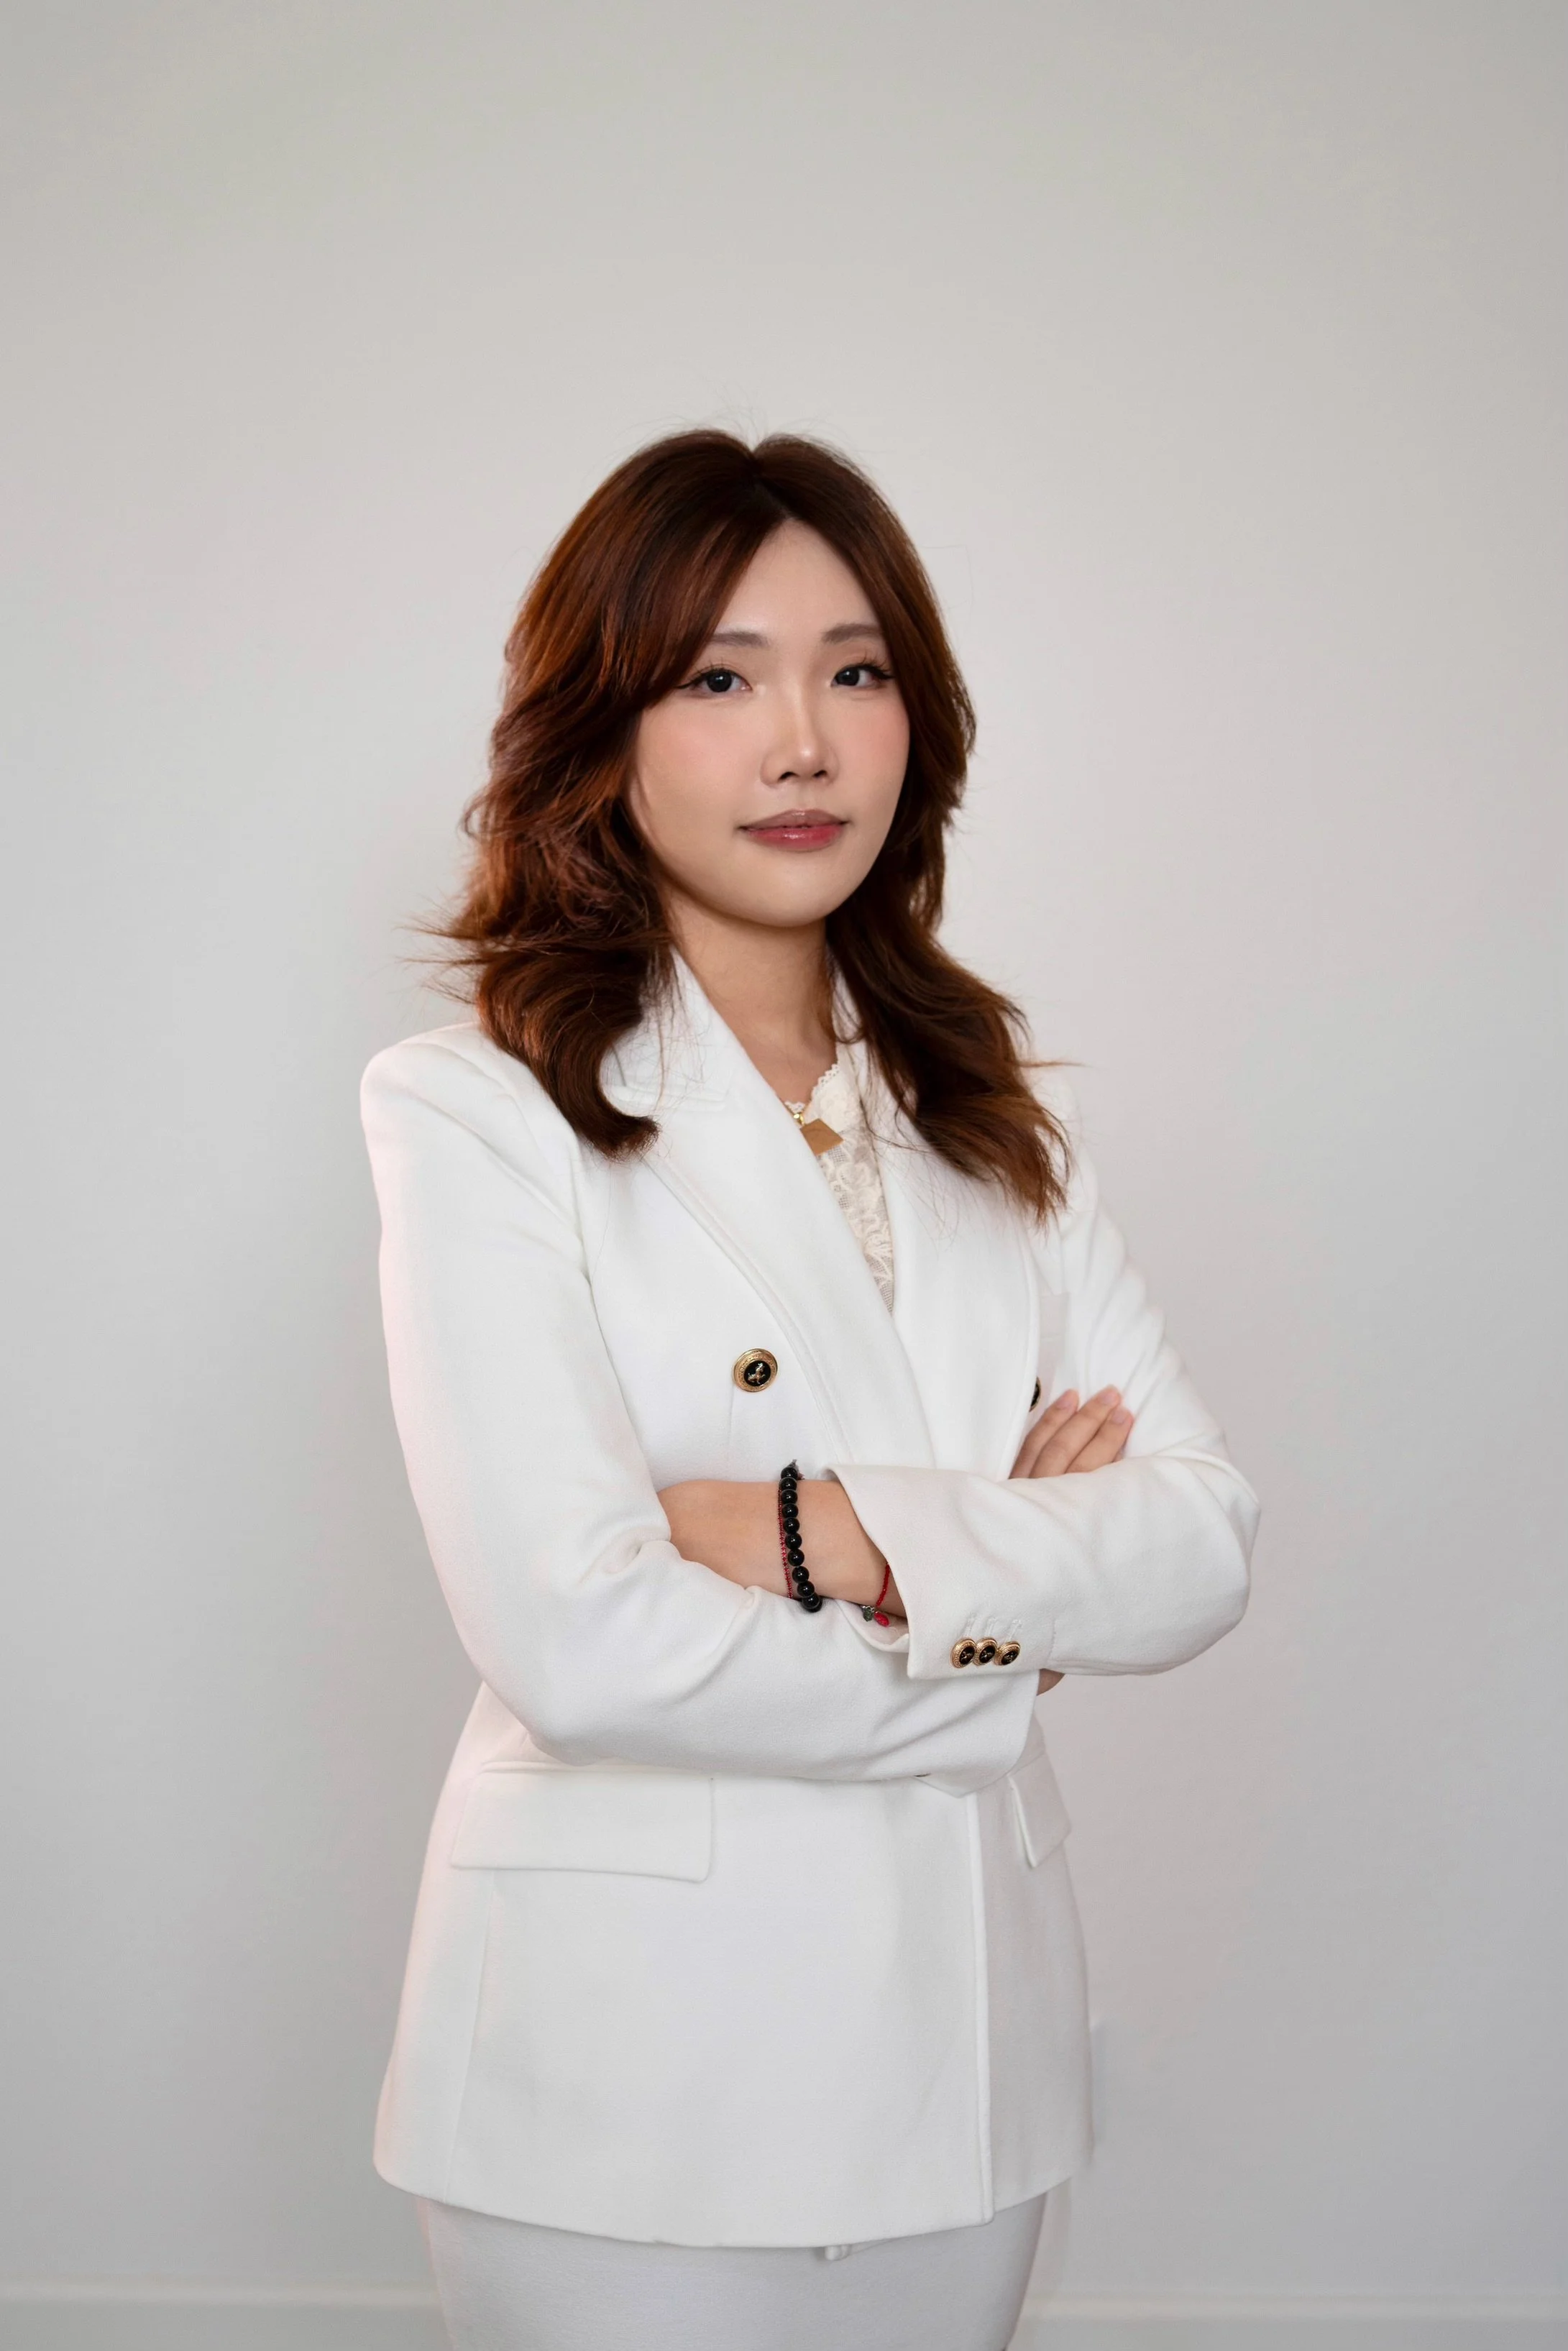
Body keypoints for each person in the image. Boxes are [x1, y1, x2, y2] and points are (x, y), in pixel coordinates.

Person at [361, 430, 1259, 2351]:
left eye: (855, 671)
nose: (801, 744)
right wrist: (1008, 1620)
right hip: (626, 2077)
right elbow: (577, 1638)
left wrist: (807, 1530)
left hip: (965, 2053)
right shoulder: (478, 1108)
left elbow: (1196, 1540)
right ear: (601, 731)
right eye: (718, 677)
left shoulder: (992, 1108)